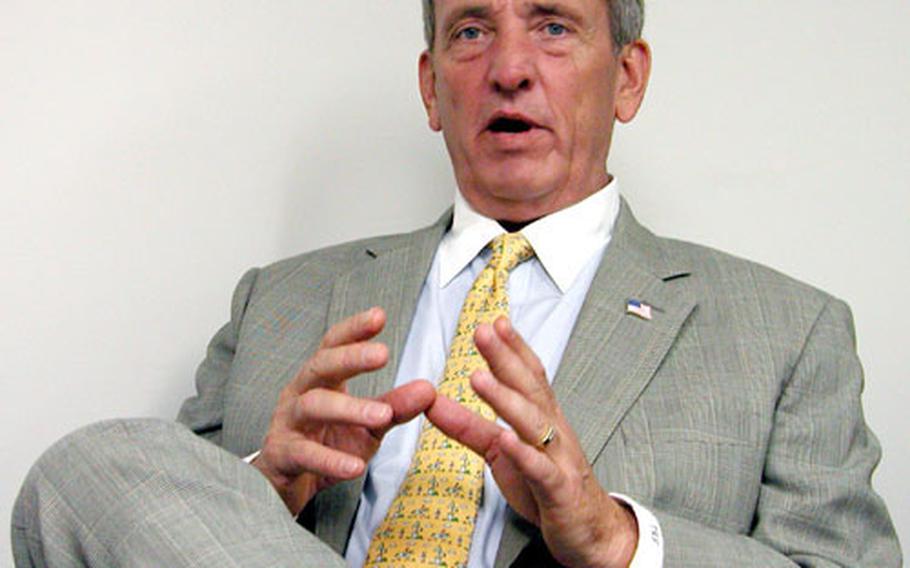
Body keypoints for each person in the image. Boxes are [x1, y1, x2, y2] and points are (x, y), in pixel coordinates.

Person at [12, 0, 902, 566]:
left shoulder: (788, 330)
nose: (508, 68)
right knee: (89, 467)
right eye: (471, 30)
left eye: (552, 25)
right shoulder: (280, 297)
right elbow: (149, 524)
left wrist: (612, 537)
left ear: (626, 78)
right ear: (434, 89)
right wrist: (262, 483)